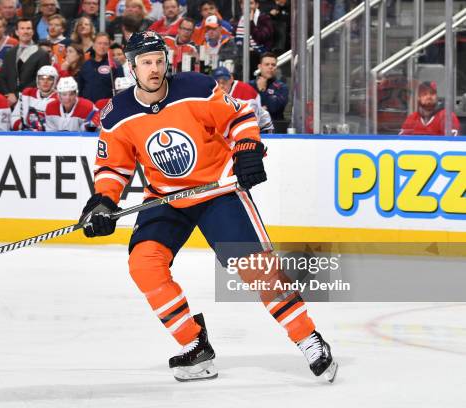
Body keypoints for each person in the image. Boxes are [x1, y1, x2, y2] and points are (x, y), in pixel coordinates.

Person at [79, 31, 337, 382]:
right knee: (144, 264)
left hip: (218, 190)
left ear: (166, 62)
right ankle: (194, 345)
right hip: (165, 198)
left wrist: (246, 148)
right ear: (132, 67)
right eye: (145, 63)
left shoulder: (196, 88)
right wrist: (103, 202)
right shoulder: (118, 114)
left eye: (158, 61)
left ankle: (309, 339)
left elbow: (240, 117)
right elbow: (113, 167)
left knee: (257, 269)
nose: (154, 69)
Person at [0, 18, 52, 108]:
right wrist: (7, 95)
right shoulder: (10, 53)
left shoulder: (42, 54)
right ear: (17, 32)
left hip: (30, 101)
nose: (25, 31)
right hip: (9, 101)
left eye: (28, 28)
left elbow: (40, 80)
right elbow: (2, 76)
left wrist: (17, 95)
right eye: (22, 28)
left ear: (33, 31)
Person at [212, 66, 273, 133]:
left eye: (224, 81)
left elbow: (251, 120)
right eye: (218, 82)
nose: (221, 86)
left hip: (262, 128)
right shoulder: (212, 92)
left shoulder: (245, 92)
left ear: (231, 79)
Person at [78, 32, 124, 102]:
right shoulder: (85, 65)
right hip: (89, 108)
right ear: (93, 45)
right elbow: (80, 89)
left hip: (107, 107)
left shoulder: (115, 65)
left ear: (109, 46)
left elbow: (121, 90)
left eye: (105, 44)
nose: (102, 46)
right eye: (99, 43)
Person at [12, 65, 59, 131]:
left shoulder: (59, 99)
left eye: (49, 79)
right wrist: (22, 127)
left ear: (55, 81)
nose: (45, 82)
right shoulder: (27, 94)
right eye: (42, 78)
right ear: (37, 80)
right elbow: (14, 117)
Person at [250, 52, 287, 122]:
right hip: (253, 127)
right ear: (260, 67)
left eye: (273, 65)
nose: (270, 67)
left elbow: (274, 108)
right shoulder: (250, 85)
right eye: (267, 64)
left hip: (275, 128)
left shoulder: (282, 87)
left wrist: (262, 90)